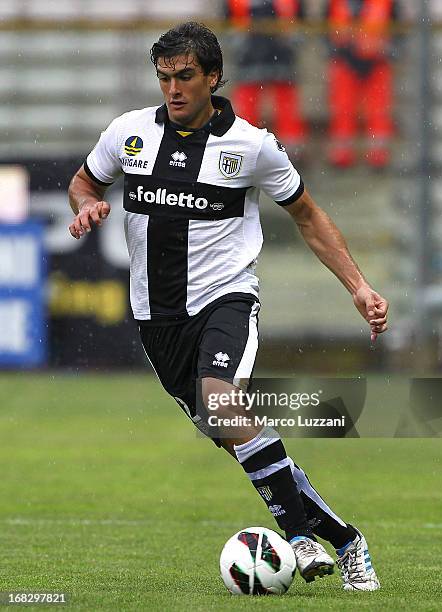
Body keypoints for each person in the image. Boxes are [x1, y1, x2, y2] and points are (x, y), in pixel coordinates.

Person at [68, 21, 388, 590]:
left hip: (225, 301)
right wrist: (87, 206)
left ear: (213, 76)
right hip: (156, 319)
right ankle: (346, 541)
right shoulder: (129, 133)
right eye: (165, 77)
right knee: (240, 439)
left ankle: (298, 540)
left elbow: (309, 216)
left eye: (185, 76)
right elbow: (84, 183)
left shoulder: (252, 145)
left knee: (222, 405)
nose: (173, 88)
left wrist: (359, 287)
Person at [223, 0, 308, 155]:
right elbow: (227, 21)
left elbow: (302, 21)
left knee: (286, 103)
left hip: (281, 54)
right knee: (247, 103)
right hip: (249, 55)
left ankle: (292, 150)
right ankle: (244, 148)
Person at [325, 0, 401, 168]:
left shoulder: (386, 3)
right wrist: (334, 50)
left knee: (379, 109)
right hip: (344, 60)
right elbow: (326, 26)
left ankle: (378, 154)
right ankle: (342, 153)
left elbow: (398, 28)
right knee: (343, 107)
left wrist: (388, 49)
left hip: (377, 60)